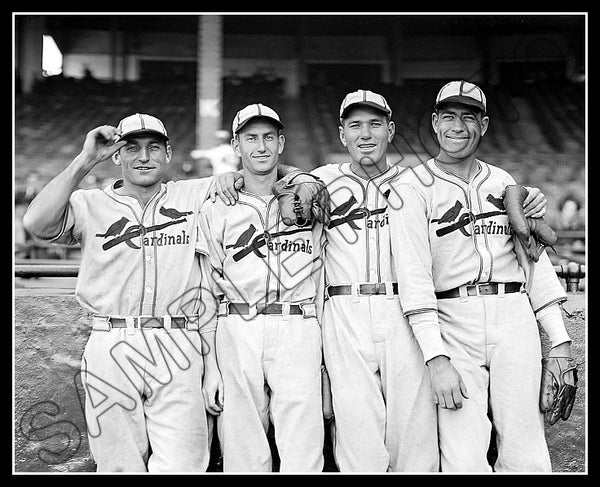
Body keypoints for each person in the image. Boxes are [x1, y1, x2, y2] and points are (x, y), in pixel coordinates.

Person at [216, 90, 549, 472]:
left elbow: (483, 198)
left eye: (375, 124)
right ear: (342, 135)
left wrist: (530, 196)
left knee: (414, 440)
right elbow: (271, 174)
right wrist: (232, 177)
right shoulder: (322, 179)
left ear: (391, 130)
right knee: (358, 439)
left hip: (402, 311)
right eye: (355, 125)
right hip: (344, 311)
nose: (365, 134)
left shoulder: (418, 184)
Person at [21, 113, 241, 472]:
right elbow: (35, 224)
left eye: (154, 147)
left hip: (178, 340)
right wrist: (84, 160)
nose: (143, 157)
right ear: (116, 156)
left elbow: (260, 173)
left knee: (185, 463)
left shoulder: (195, 193)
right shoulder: (89, 203)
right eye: (132, 148)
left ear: (168, 153)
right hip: (112, 340)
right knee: (118, 465)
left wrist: (292, 178)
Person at [386, 80, 574, 472]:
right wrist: (436, 359)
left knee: (527, 451)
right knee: (463, 455)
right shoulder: (412, 188)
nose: (458, 126)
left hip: (512, 313)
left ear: (484, 125)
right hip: (452, 316)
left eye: (469, 117)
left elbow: (533, 263)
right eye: (449, 117)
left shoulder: (505, 182)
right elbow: (415, 280)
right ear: (435, 123)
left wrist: (559, 341)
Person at [197, 103, 326, 472]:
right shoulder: (216, 207)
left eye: (269, 137)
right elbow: (205, 290)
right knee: (242, 448)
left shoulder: (309, 202)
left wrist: (298, 178)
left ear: (281, 142)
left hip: (297, 323)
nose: (261, 146)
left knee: (303, 446)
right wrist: (211, 365)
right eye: (250, 138)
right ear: (236, 146)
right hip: (237, 325)